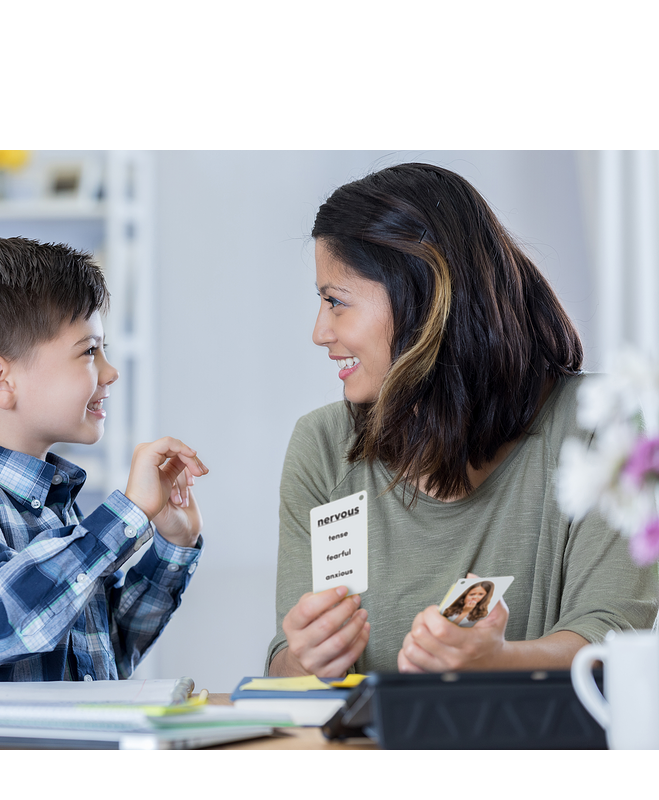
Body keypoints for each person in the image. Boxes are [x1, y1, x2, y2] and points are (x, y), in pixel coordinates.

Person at [267, 163, 658, 678]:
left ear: (423, 297)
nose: (320, 332)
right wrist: (306, 657)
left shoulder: (603, 428)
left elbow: (611, 640)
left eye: (336, 302)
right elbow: (284, 664)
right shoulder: (321, 447)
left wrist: (499, 663)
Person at [0, 237, 208, 695]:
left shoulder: (55, 507)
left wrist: (174, 544)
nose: (111, 371)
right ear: (1, 380)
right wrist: (127, 514)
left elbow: (103, 655)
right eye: (89, 351)